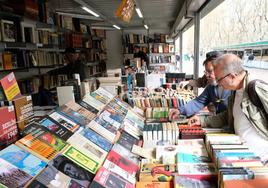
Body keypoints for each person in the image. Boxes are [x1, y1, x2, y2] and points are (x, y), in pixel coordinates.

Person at [189, 54, 268, 163]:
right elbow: (228, 115)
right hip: (245, 157)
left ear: (232, 76)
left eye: (219, 79)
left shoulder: (257, 88)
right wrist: (202, 121)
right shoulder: (235, 91)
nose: (218, 84)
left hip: (262, 161)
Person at [169, 52, 231, 119]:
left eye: (210, 71)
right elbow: (198, 102)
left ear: (220, 69)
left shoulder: (233, 87)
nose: (207, 76)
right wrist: (179, 110)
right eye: (206, 72)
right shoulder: (211, 87)